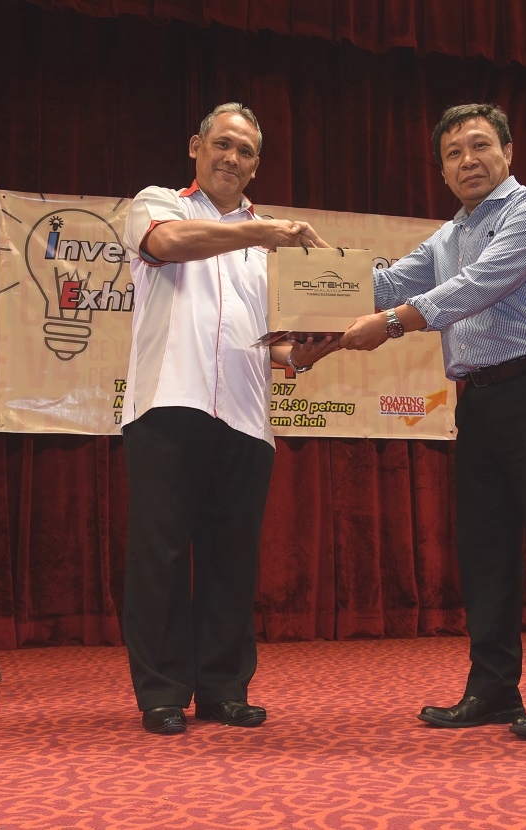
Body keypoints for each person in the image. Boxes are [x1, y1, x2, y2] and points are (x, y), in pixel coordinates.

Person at [340, 103, 526, 739]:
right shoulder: (447, 236)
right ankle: (493, 689)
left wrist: (394, 324)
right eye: (453, 154)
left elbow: (478, 285)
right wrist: (316, 263)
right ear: (442, 171)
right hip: (478, 401)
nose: (468, 161)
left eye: (480, 146)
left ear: (508, 152)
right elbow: (386, 285)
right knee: (485, 553)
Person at [121, 103, 338, 735]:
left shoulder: (265, 245)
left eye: (244, 151)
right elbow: (167, 245)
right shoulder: (158, 203)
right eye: (222, 144)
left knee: (232, 558)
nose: (231, 158)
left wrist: (301, 353)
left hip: (246, 416)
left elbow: (262, 339)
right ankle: (162, 692)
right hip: (169, 402)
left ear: (255, 165)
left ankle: (222, 688)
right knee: (160, 554)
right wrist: (263, 232)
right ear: (196, 146)